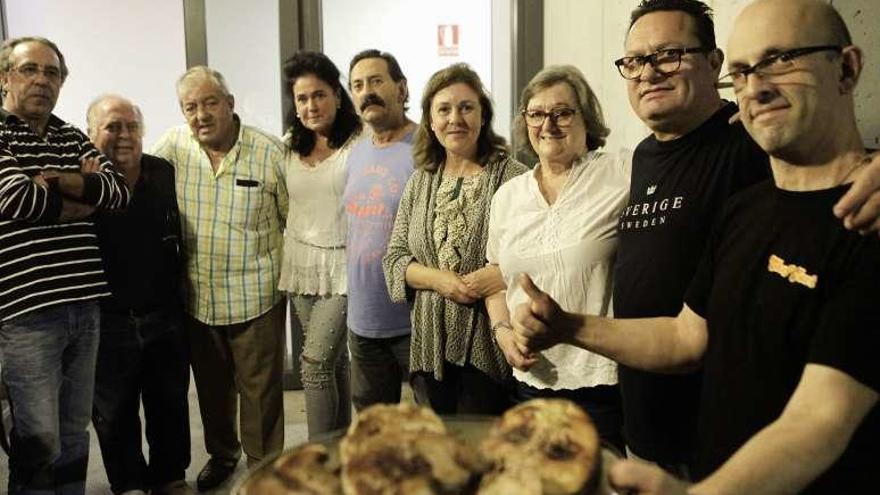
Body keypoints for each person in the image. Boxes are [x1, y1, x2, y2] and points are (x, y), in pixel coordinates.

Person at [513, 1, 877, 492]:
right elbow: (687, 337)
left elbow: (819, 417)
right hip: (666, 440)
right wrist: (568, 326)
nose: (758, 88)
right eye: (747, 73)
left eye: (781, 61)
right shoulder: (738, 206)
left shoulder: (860, 215)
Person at [0, 37, 130, 494]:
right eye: (29, 70)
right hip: (28, 314)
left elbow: (116, 194)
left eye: (51, 73)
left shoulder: (71, 134)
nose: (41, 80)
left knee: (75, 431)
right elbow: (18, 198)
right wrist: (83, 192)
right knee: (39, 437)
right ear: (5, 78)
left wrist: (53, 181)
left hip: (86, 306)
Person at [151, 66, 288, 491]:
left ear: (229, 104)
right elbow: (137, 178)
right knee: (211, 390)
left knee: (261, 392)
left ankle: (265, 466)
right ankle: (223, 454)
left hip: (256, 294)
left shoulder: (269, 153)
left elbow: (291, 219)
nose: (201, 115)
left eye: (210, 102)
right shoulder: (173, 146)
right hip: (198, 295)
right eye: (190, 107)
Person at [485, 65, 630, 451]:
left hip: (599, 384)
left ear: (587, 118)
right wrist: (503, 336)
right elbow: (499, 280)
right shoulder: (508, 196)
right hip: (530, 381)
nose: (547, 124)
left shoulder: (620, 174)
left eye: (562, 112)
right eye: (536, 114)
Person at [383, 63, 525, 415]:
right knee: (439, 456)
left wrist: (497, 274)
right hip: (428, 350)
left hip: (492, 346)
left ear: (483, 115)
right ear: (431, 121)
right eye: (443, 109)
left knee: (485, 454)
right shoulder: (421, 181)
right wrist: (440, 280)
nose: (455, 118)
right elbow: (395, 259)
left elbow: (533, 255)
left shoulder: (513, 177)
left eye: (466, 107)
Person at [87, 95, 193, 495]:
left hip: (163, 311)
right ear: (92, 133)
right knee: (114, 411)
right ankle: (128, 482)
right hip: (109, 316)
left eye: (131, 126)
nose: (124, 135)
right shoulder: (87, 182)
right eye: (113, 127)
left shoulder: (162, 172)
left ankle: (169, 475)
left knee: (170, 402)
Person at [278, 51, 361, 438]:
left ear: (338, 95)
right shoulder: (288, 146)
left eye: (319, 95)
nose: (310, 105)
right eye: (302, 98)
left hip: (343, 265)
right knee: (333, 364)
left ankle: (318, 457)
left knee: (312, 364)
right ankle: (339, 446)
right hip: (301, 263)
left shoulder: (360, 142)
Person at [344, 49, 420, 410]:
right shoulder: (357, 152)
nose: (366, 91)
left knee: (434, 427)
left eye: (376, 81)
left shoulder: (426, 149)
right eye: (357, 85)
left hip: (413, 318)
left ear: (401, 89)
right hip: (364, 318)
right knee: (375, 432)